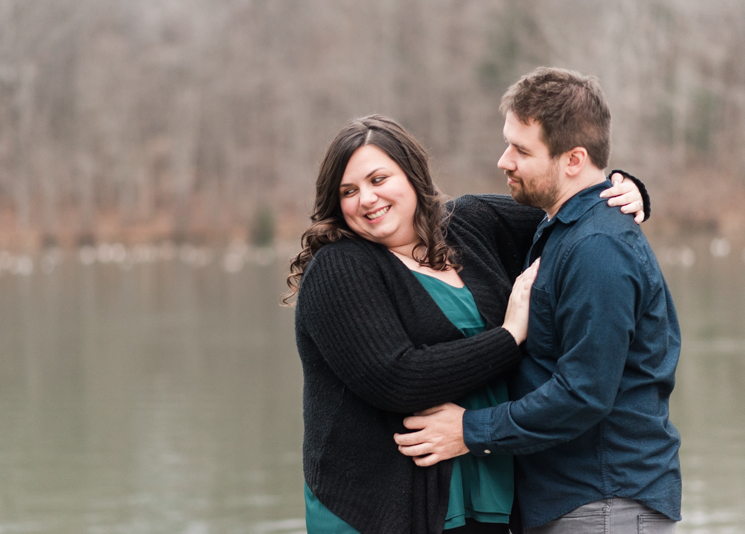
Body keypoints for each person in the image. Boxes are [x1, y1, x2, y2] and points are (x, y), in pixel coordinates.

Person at [285, 114, 648, 534]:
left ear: (411, 174)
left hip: (485, 490)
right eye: (349, 191)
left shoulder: (470, 223)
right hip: (378, 507)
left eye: (378, 179)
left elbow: (572, 211)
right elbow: (397, 378)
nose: (366, 198)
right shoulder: (339, 268)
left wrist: (625, 189)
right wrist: (509, 336)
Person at [394, 67, 681, 533]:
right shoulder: (560, 227)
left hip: (604, 505)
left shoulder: (598, 249)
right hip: (576, 504)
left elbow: (584, 394)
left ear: (573, 160)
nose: (504, 160)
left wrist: (469, 430)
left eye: (521, 150)